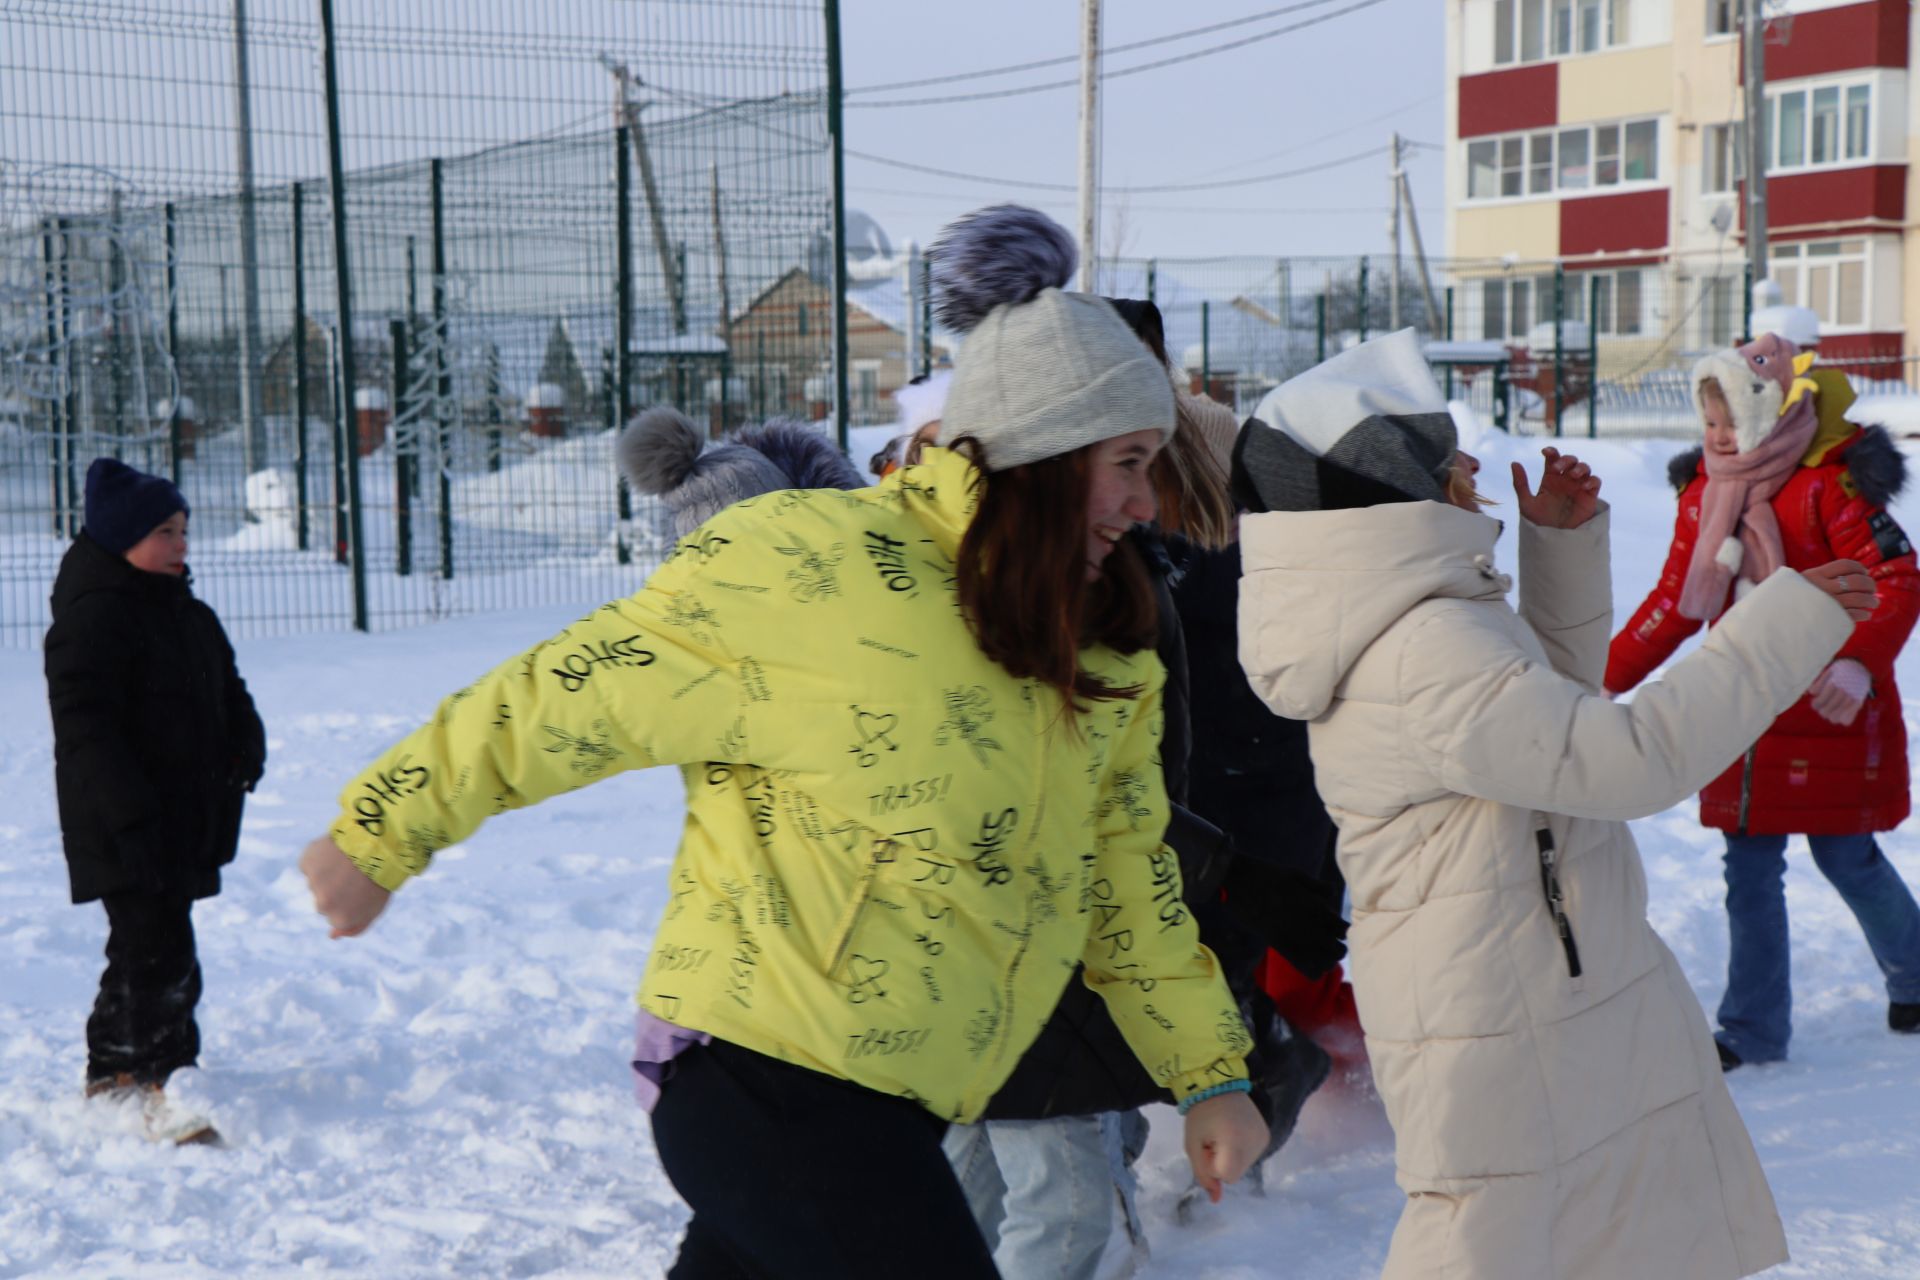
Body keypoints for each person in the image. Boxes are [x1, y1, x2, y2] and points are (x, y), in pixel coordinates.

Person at [298, 200, 1268, 1279]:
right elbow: (568, 695)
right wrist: (379, 830)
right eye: (1127, 462)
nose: (1145, 501)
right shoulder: (815, 565)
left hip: (903, 1094)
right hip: (763, 1068)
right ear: (1043, 450)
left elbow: (1128, 882)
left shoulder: (1103, 651)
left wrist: (1209, 1072)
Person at [1230, 328, 1877, 1279]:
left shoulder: (1416, 612)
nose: (1472, 469)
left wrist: (1560, 553)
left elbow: (1540, 734)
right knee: (1493, 1240)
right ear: (1390, 489)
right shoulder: (1419, 641)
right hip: (1490, 1004)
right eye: (1446, 459)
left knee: (1586, 1232)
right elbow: (1619, 760)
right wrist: (1786, 621)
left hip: (1523, 974)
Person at [1605, 334, 1920, 1064]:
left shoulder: (1833, 486)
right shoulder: (1706, 495)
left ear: (1770, 411)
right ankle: (1752, 1028)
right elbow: (1677, 602)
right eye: (1708, 423)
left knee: (1849, 860)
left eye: (1730, 421)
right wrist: (1607, 676)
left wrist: (1855, 665)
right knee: (1748, 871)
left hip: (1828, 704)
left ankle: (1914, 976)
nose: (1718, 437)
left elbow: (1898, 580)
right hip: (1746, 706)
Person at [45, 458, 265, 1127]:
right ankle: (166, 1075)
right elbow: (87, 733)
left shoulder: (185, 612)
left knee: (143, 945)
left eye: (184, 530)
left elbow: (227, 686)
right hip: (125, 821)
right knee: (160, 949)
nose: (181, 544)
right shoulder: (94, 621)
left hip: (181, 814)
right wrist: (131, 815)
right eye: (165, 532)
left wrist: (245, 737)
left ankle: (113, 1065)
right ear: (121, 538)